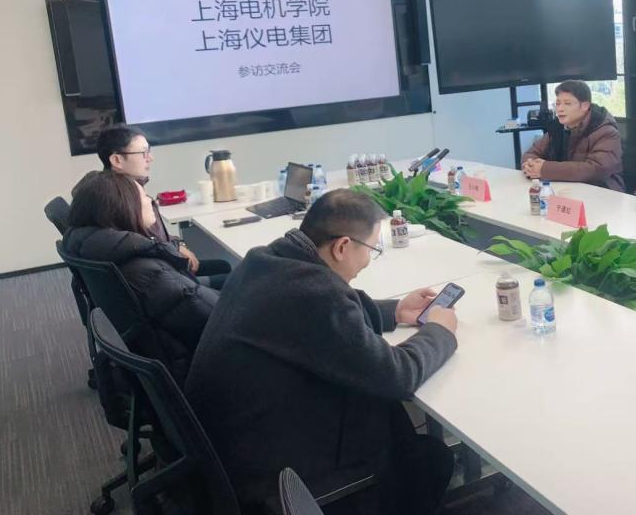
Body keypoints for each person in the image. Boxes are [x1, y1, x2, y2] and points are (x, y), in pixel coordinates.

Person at [184, 189, 458, 514]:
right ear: (342, 247)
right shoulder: (315, 294)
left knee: (391, 417)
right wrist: (439, 331)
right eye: (371, 249)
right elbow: (398, 375)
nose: (368, 261)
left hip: (233, 448)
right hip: (272, 475)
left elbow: (325, 317)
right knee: (426, 456)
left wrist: (395, 311)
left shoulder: (266, 262)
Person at [63, 171, 218, 383]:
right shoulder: (149, 274)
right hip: (195, 370)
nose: (150, 200)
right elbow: (216, 320)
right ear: (124, 207)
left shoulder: (102, 249)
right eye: (143, 196)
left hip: (166, 354)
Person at [73, 124, 230, 286]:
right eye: (143, 153)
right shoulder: (121, 204)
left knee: (223, 266)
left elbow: (153, 239)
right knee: (234, 277)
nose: (150, 158)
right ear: (117, 160)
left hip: (163, 271)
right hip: (167, 279)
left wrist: (177, 244)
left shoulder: (106, 193)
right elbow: (148, 244)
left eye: (149, 151)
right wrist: (175, 248)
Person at [521, 80, 624, 191]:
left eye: (567, 103)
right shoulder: (558, 126)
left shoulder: (605, 131)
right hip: (565, 188)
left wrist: (544, 169)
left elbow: (596, 170)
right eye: (558, 103)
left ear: (585, 106)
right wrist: (530, 165)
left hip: (602, 191)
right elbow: (532, 152)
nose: (560, 109)